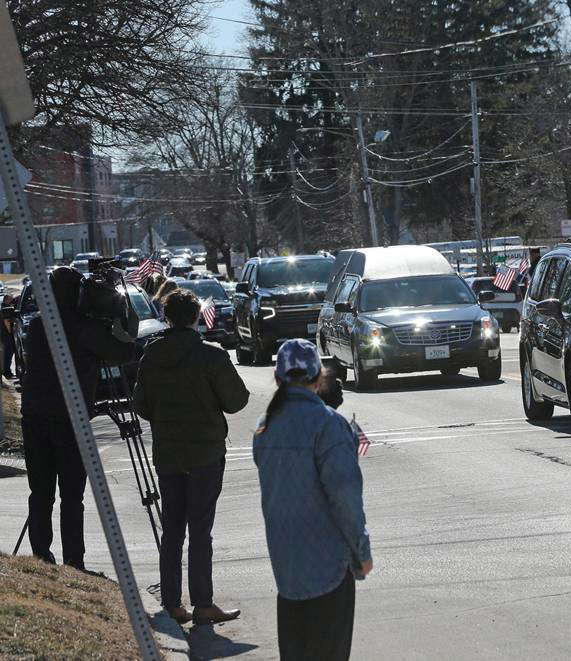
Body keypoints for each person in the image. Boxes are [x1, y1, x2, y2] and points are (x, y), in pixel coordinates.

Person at [133, 289, 250, 625]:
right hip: (205, 453)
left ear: (167, 316)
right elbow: (236, 401)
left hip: (168, 453)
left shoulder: (151, 355)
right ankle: (203, 604)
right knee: (201, 531)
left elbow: (141, 405)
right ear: (197, 316)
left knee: (172, 530)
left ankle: (172, 603)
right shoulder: (211, 356)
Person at [254, 340, 372, 661]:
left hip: (286, 568)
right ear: (318, 378)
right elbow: (345, 497)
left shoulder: (265, 427)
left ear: (278, 379)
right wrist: (362, 552)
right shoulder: (329, 424)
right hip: (329, 568)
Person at [21, 267, 138, 570]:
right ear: (79, 294)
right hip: (70, 420)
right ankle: (74, 560)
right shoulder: (84, 328)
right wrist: (118, 318)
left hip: (34, 418)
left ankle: (40, 556)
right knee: (71, 495)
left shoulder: (36, 325)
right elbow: (125, 353)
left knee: (41, 491)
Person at [2, 293, 17, 381]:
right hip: (7, 336)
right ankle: (7, 373)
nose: (12, 302)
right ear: (7, 300)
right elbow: (7, 322)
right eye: (11, 300)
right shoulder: (6, 308)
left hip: (6, 336)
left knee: (8, 355)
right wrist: (11, 333)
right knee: (8, 355)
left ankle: (8, 372)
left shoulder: (4, 307)